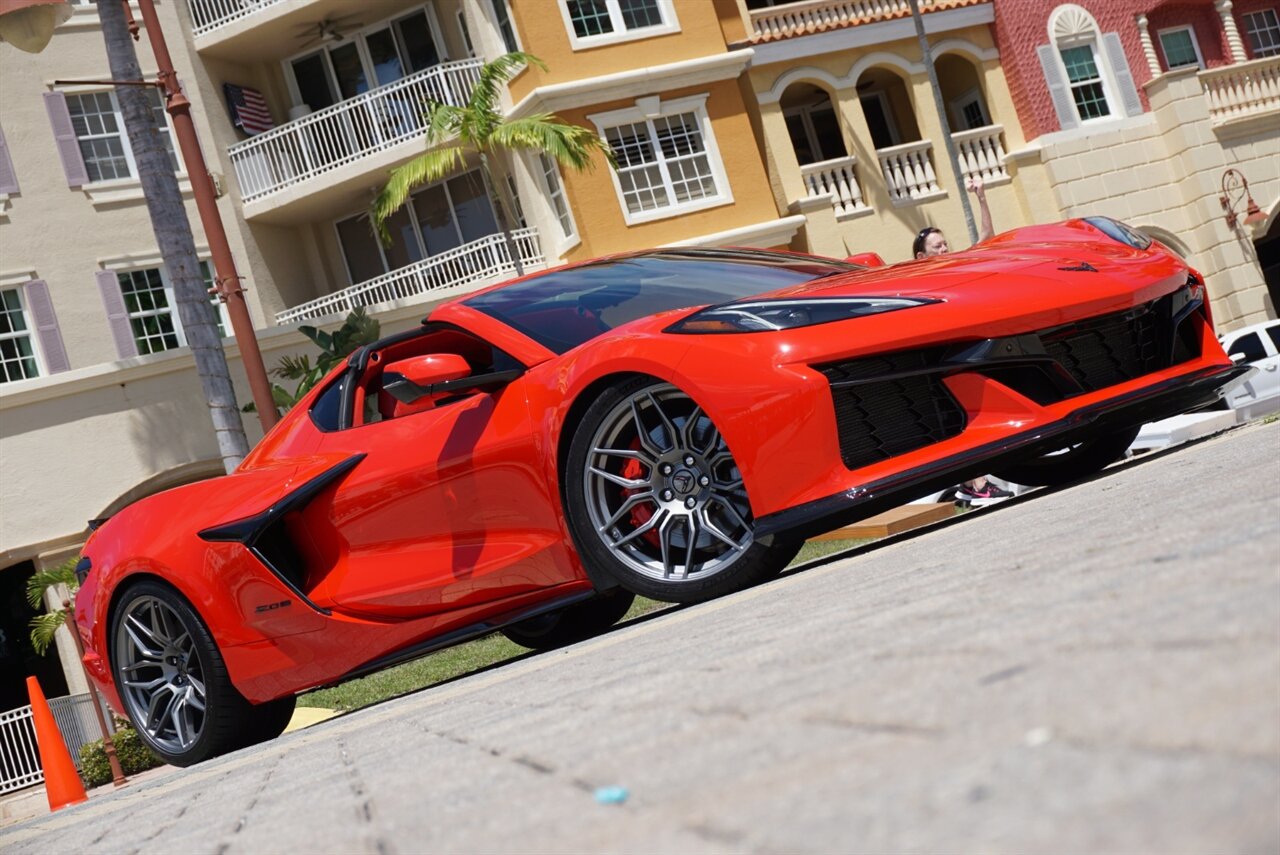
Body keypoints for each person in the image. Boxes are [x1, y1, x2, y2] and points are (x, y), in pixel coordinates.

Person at [913, 176, 1013, 508]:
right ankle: (975, 485)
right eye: (936, 248)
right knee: (957, 420)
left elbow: (986, 240)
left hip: (960, 357)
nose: (944, 250)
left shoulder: (953, 267)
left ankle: (976, 484)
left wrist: (982, 199)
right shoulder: (915, 279)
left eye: (944, 245)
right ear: (919, 257)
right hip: (934, 365)